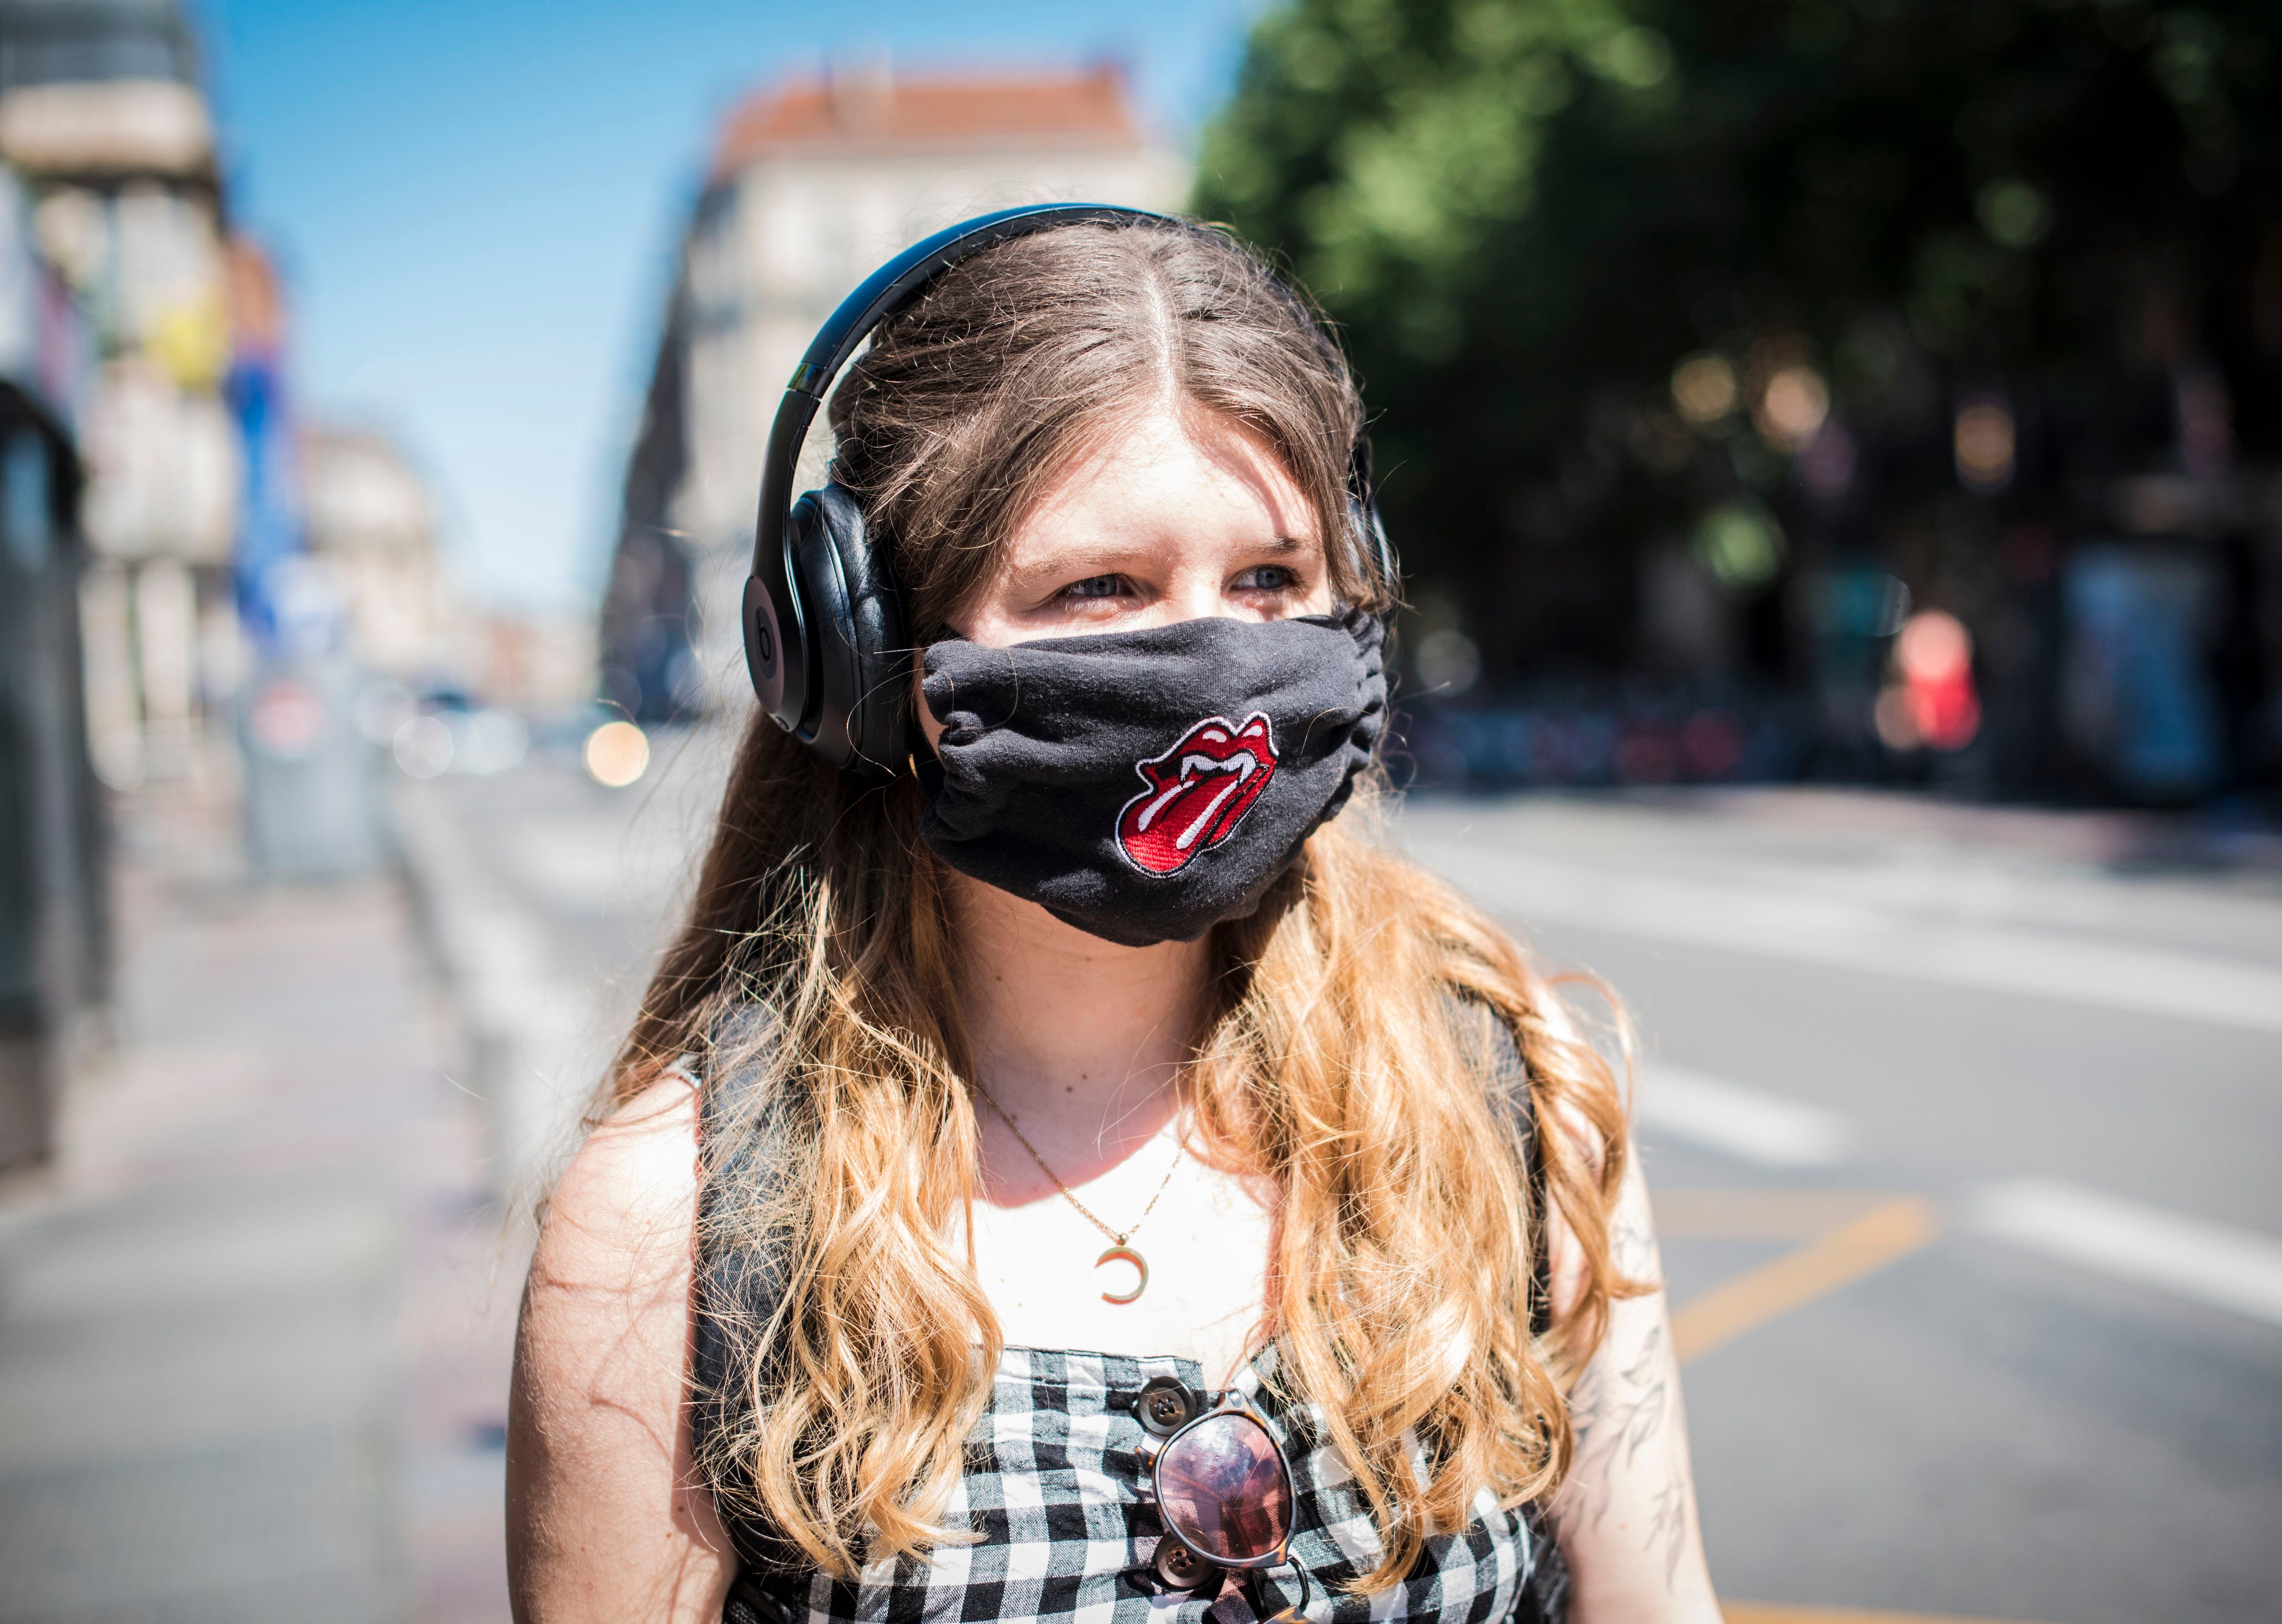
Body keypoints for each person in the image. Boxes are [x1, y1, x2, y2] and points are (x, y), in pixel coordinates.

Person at [505, 210, 1725, 1624]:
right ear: (859, 646)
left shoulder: (1509, 1101)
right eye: (1102, 589)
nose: (1215, 656)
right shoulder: (679, 1226)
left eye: (1271, 580)